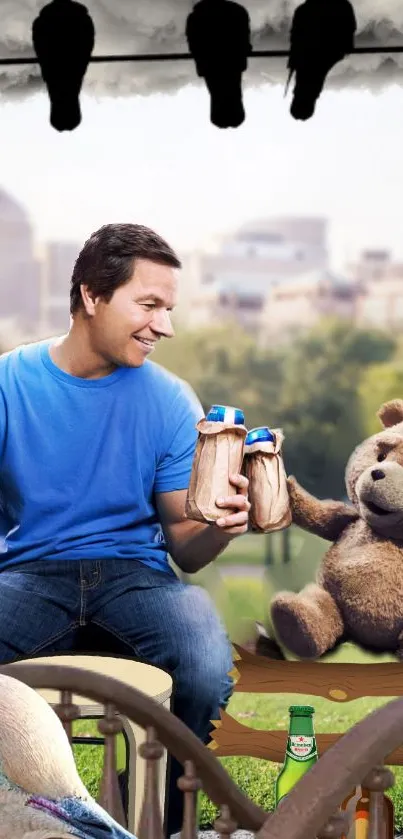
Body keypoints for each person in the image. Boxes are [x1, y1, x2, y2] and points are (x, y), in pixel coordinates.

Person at [0, 223, 250, 836]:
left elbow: (187, 550)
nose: (164, 326)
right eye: (149, 305)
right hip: (28, 578)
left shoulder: (170, 401)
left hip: (135, 579)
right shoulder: (8, 385)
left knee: (201, 656)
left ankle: (159, 823)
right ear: (91, 296)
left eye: (169, 309)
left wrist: (221, 525)